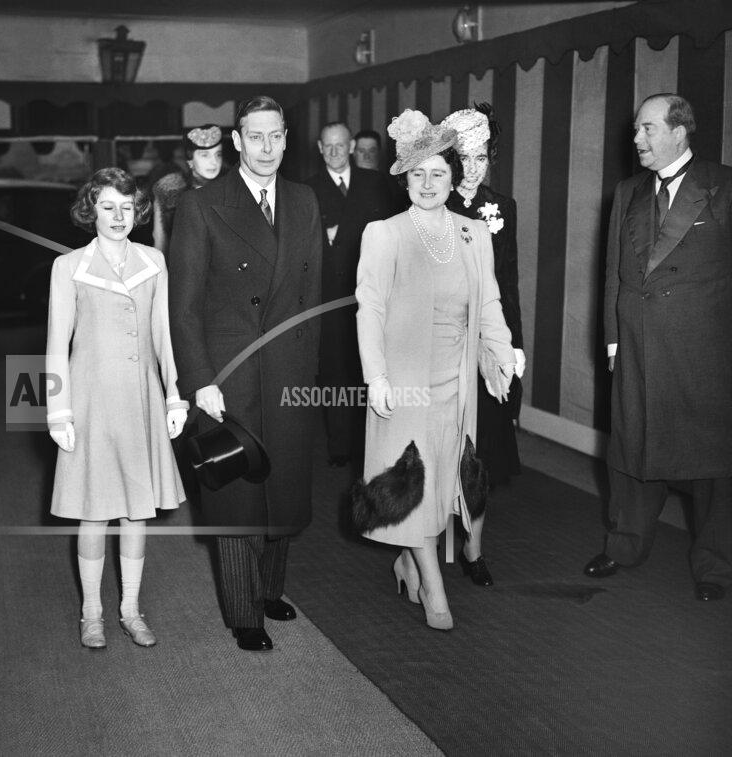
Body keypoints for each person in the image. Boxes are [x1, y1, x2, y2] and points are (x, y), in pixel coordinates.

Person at [168, 95, 322, 651]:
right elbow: (183, 308)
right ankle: (242, 613)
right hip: (229, 374)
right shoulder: (201, 204)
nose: (266, 147)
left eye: (275, 135)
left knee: (284, 483)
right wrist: (200, 380)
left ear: (286, 137)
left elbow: (312, 297)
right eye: (255, 137)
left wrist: (312, 376)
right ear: (236, 141)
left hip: (290, 369)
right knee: (237, 490)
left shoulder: (304, 200)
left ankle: (270, 590)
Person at [354, 109, 514, 631]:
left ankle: (407, 562)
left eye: (438, 173)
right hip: (404, 381)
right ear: (404, 179)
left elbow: (488, 302)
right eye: (417, 174)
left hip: (455, 381)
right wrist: (376, 376)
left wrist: (501, 355)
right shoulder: (385, 233)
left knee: (446, 481)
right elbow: (370, 307)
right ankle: (432, 585)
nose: (427, 184)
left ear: (453, 176)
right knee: (414, 482)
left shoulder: (473, 233)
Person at [585, 93, 732, 602]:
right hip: (636, 344)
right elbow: (613, 272)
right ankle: (624, 545)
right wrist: (612, 340)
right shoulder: (627, 191)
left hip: (705, 352)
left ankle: (715, 565)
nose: (636, 139)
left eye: (647, 128)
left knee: (713, 463)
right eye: (636, 129)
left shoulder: (724, 185)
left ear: (679, 130)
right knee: (631, 448)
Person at [46, 168, 188, 648]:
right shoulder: (68, 267)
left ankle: (130, 609)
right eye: (108, 206)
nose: (118, 216)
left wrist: (174, 394)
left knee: (135, 512)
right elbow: (55, 345)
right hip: (90, 403)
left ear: (138, 211)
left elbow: (164, 335)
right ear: (91, 210)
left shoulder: (154, 261)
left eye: (127, 207)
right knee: (93, 512)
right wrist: (57, 411)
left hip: (141, 401)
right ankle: (91, 613)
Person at [441, 104, 525, 587]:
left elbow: (508, 283)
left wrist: (514, 346)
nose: (473, 169)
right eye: (464, 158)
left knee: (482, 449)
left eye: (481, 158)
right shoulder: (432, 199)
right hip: (444, 342)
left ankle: (473, 548)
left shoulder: (502, 207)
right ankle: (422, 545)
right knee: (439, 447)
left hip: (488, 343)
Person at [305, 122, 393, 467]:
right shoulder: (307, 190)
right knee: (334, 371)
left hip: (371, 293)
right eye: (327, 146)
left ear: (352, 146)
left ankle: (369, 443)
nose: (334, 152)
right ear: (319, 148)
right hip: (329, 299)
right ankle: (340, 446)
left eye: (340, 145)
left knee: (369, 368)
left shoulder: (375, 183)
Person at [151, 125, 224, 255]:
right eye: (205, 155)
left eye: (218, 155)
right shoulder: (168, 190)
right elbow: (160, 242)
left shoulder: (231, 190)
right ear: (190, 159)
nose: (214, 162)